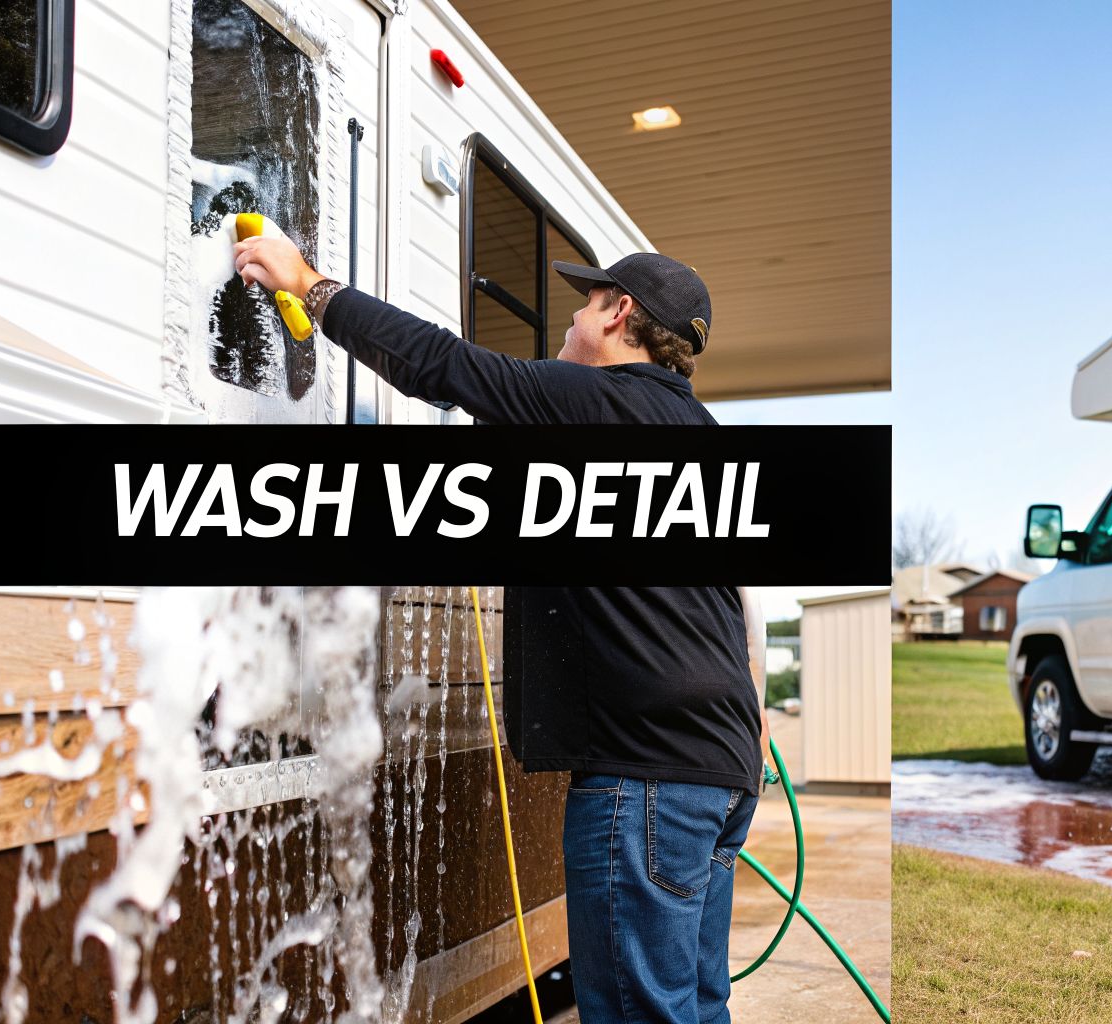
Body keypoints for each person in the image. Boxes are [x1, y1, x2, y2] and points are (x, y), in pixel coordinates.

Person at [234, 232, 766, 1024]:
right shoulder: (699, 437)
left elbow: (442, 363)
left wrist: (309, 285)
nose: (570, 322)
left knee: (638, 1015)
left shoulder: (598, 403)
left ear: (620, 314)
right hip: (722, 772)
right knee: (694, 1005)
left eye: (586, 303)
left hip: (647, 780)